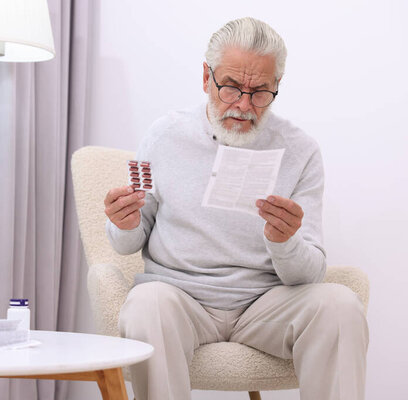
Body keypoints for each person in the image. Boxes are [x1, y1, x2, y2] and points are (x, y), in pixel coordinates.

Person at [104, 17, 368, 400]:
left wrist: (285, 243)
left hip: (264, 304)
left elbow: (311, 273)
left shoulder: (301, 150)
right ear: (206, 77)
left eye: (260, 92)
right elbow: (129, 242)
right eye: (230, 87)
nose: (244, 105)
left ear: (277, 86)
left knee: (341, 305)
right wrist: (124, 224)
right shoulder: (164, 136)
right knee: (147, 304)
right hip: (181, 296)